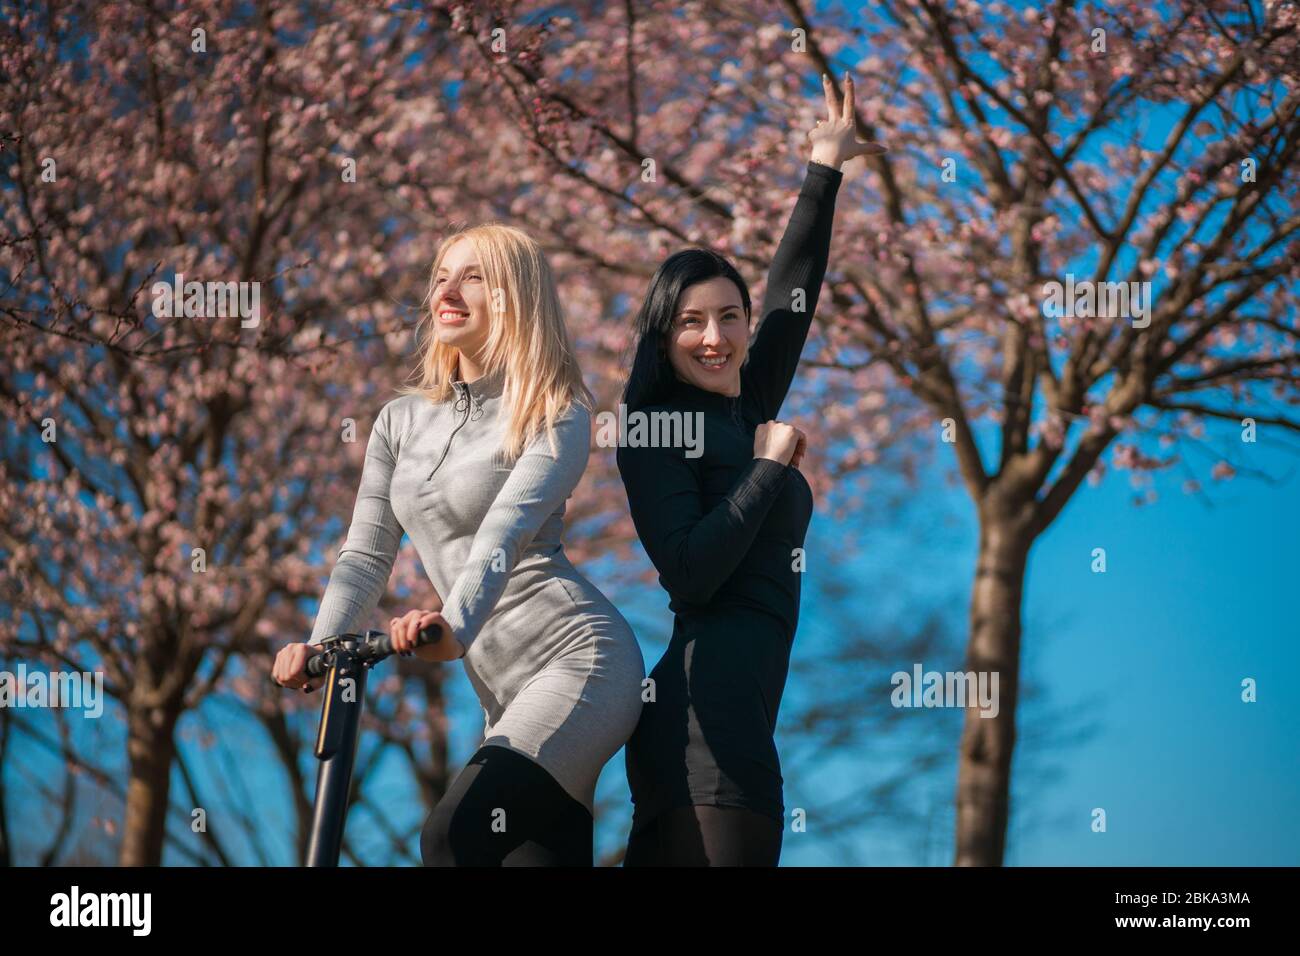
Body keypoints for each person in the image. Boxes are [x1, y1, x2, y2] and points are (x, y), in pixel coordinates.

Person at [273, 223, 644, 866]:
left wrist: (454, 625)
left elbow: (504, 532)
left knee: (453, 835)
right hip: (499, 695)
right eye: (442, 274)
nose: (448, 288)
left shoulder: (556, 408)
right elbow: (365, 553)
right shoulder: (399, 421)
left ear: (516, 296)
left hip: (579, 661)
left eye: (474, 275)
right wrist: (322, 645)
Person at [616, 73, 884, 866]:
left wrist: (825, 169)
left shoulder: (743, 405)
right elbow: (690, 574)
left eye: (728, 316)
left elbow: (792, 299)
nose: (715, 337)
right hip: (698, 723)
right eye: (691, 322)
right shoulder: (654, 431)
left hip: (744, 721)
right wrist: (767, 471)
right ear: (663, 338)